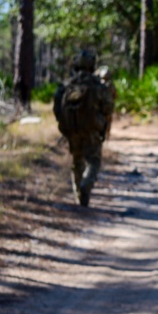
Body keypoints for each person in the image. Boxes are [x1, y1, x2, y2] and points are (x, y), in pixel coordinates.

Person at [53, 50, 114, 207]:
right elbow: (107, 107)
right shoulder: (96, 85)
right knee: (93, 161)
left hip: (72, 130)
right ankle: (86, 183)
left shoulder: (67, 85)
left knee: (77, 161)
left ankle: (80, 197)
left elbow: (57, 108)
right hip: (92, 129)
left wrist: (67, 124)